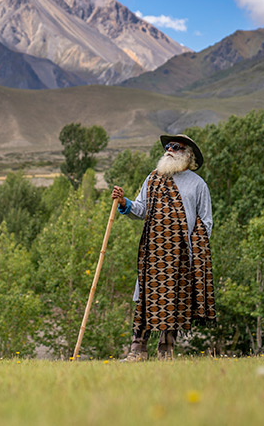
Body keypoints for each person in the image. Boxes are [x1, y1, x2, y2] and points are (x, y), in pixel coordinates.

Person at [111, 134, 215, 361]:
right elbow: (140, 209)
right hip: (152, 253)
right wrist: (123, 202)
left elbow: (205, 222)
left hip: (181, 255)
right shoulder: (152, 179)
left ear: (188, 156)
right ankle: (137, 352)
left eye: (176, 147)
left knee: (174, 300)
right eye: (168, 146)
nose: (169, 149)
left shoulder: (198, 184)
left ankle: (165, 353)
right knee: (146, 299)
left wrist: (194, 252)